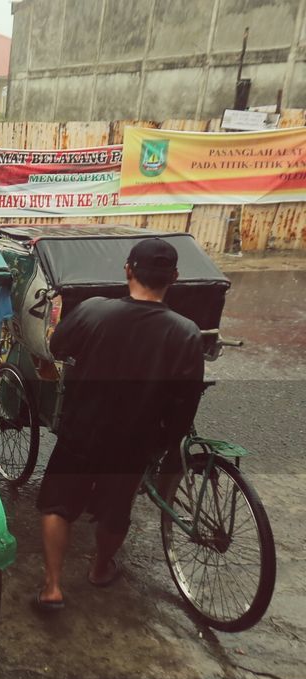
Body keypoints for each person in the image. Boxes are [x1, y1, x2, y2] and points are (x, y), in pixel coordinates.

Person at [35, 238, 205, 610]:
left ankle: (51, 587)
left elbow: (58, 346)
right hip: (135, 440)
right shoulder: (186, 332)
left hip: (81, 429)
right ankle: (99, 569)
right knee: (116, 509)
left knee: (57, 506)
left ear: (127, 269)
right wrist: (166, 444)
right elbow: (186, 400)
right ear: (173, 277)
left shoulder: (94, 311)